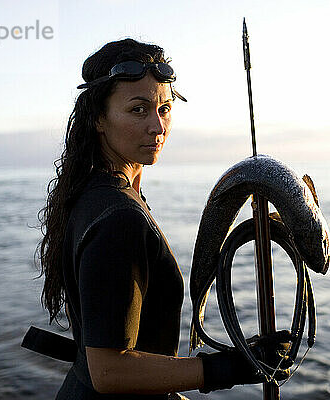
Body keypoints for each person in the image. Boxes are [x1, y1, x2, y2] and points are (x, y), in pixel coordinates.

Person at [35, 38, 291, 399]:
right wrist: (232, 366)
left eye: (165, 108)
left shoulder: (95, 193)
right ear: (98, 119)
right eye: (138, 110)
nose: (157, 126)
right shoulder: (118, 217)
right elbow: (109, 370)